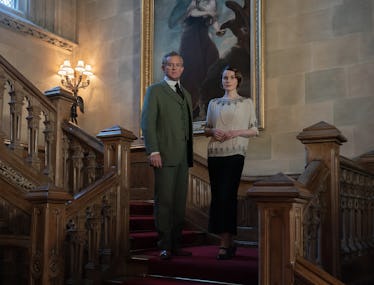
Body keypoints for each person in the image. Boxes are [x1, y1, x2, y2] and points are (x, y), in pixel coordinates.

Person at [141, 51, 193, 260]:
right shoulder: (155, 91)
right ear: (163, 67)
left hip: (183, 157)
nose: (174, 68)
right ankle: (164, 245)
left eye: (178, 65)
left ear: (183, 68)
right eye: (170, 65)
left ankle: (176, 244)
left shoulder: (186, 94)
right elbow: (147, 122)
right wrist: (153, 150)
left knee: (179, 202)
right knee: (165, 202)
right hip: (163, 155)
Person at [204, 66, 258, 260]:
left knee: (228, 195)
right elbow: (207, 128)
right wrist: (213, 132)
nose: (227, 80)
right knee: (218, 197)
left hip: (235, 153)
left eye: (231, 77)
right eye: (224, 77)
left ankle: (225, 243)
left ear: (238, 80)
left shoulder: (246, 103)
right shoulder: (214, 103)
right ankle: (227, 240)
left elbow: (254, 130)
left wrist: (235, 132)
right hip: (214, 154)